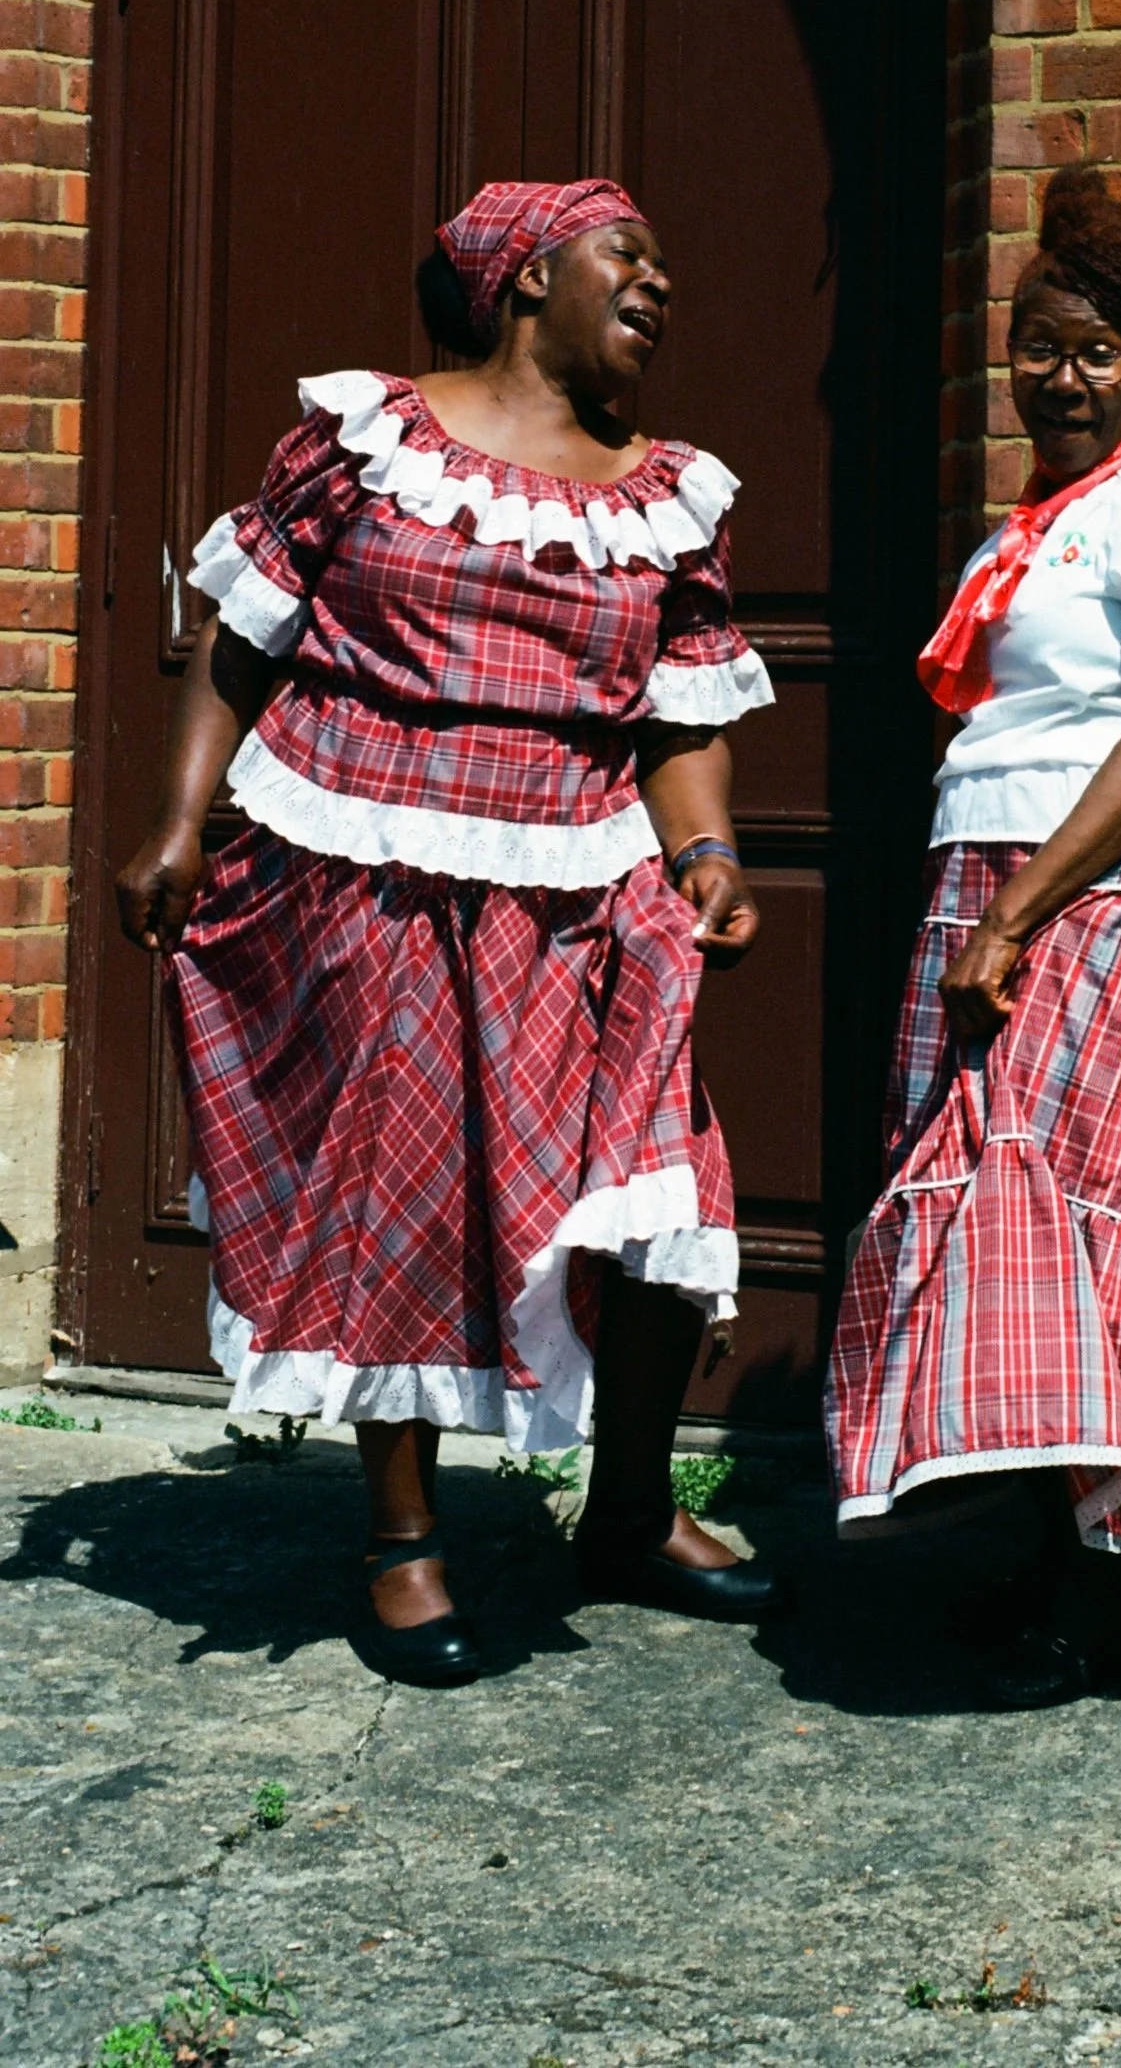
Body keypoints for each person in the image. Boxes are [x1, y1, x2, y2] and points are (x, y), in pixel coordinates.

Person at [117, 179, 780, 1685]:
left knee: (661, 1188)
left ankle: (625, 1510)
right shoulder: (369, 439)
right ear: (530, 273)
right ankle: (403, 1534)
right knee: (407, 1193)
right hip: (375, 856)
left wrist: (709, 851)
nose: (661, 283)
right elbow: (242, 637)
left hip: (581, 876)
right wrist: (178, 815)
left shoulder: (665, 490)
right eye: (634, 252)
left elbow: (681, 715)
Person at [826, 168, 1121, 1704]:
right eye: (1034, 346)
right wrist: (982, 901)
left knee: (1090, 1213)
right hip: (989, 874)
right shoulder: (1030, 524)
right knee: (982, 1205)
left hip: (1112, 888)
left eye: (1090, 350)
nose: (1059, 377)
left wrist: (1018, 913)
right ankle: (1045, 1543)